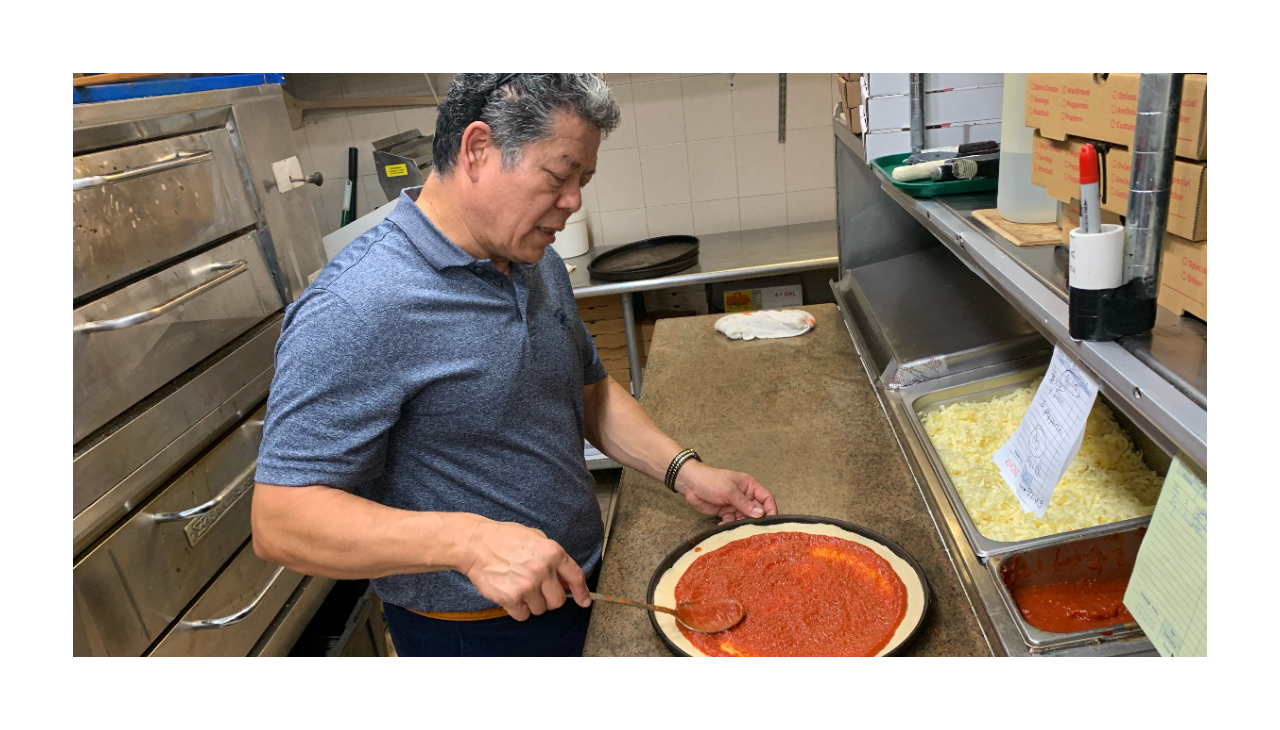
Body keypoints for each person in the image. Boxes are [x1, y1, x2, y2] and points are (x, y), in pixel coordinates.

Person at [251, 73, 778, 657]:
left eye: (584, 179)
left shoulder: (531, 257)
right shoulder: (358, 305)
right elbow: (281, 519)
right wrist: (468, 542)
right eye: (559, 175)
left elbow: (588, 392)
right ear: (477, 150)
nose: (575, 200)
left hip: (583, 584)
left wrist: (684, 471)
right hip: (473, 633)